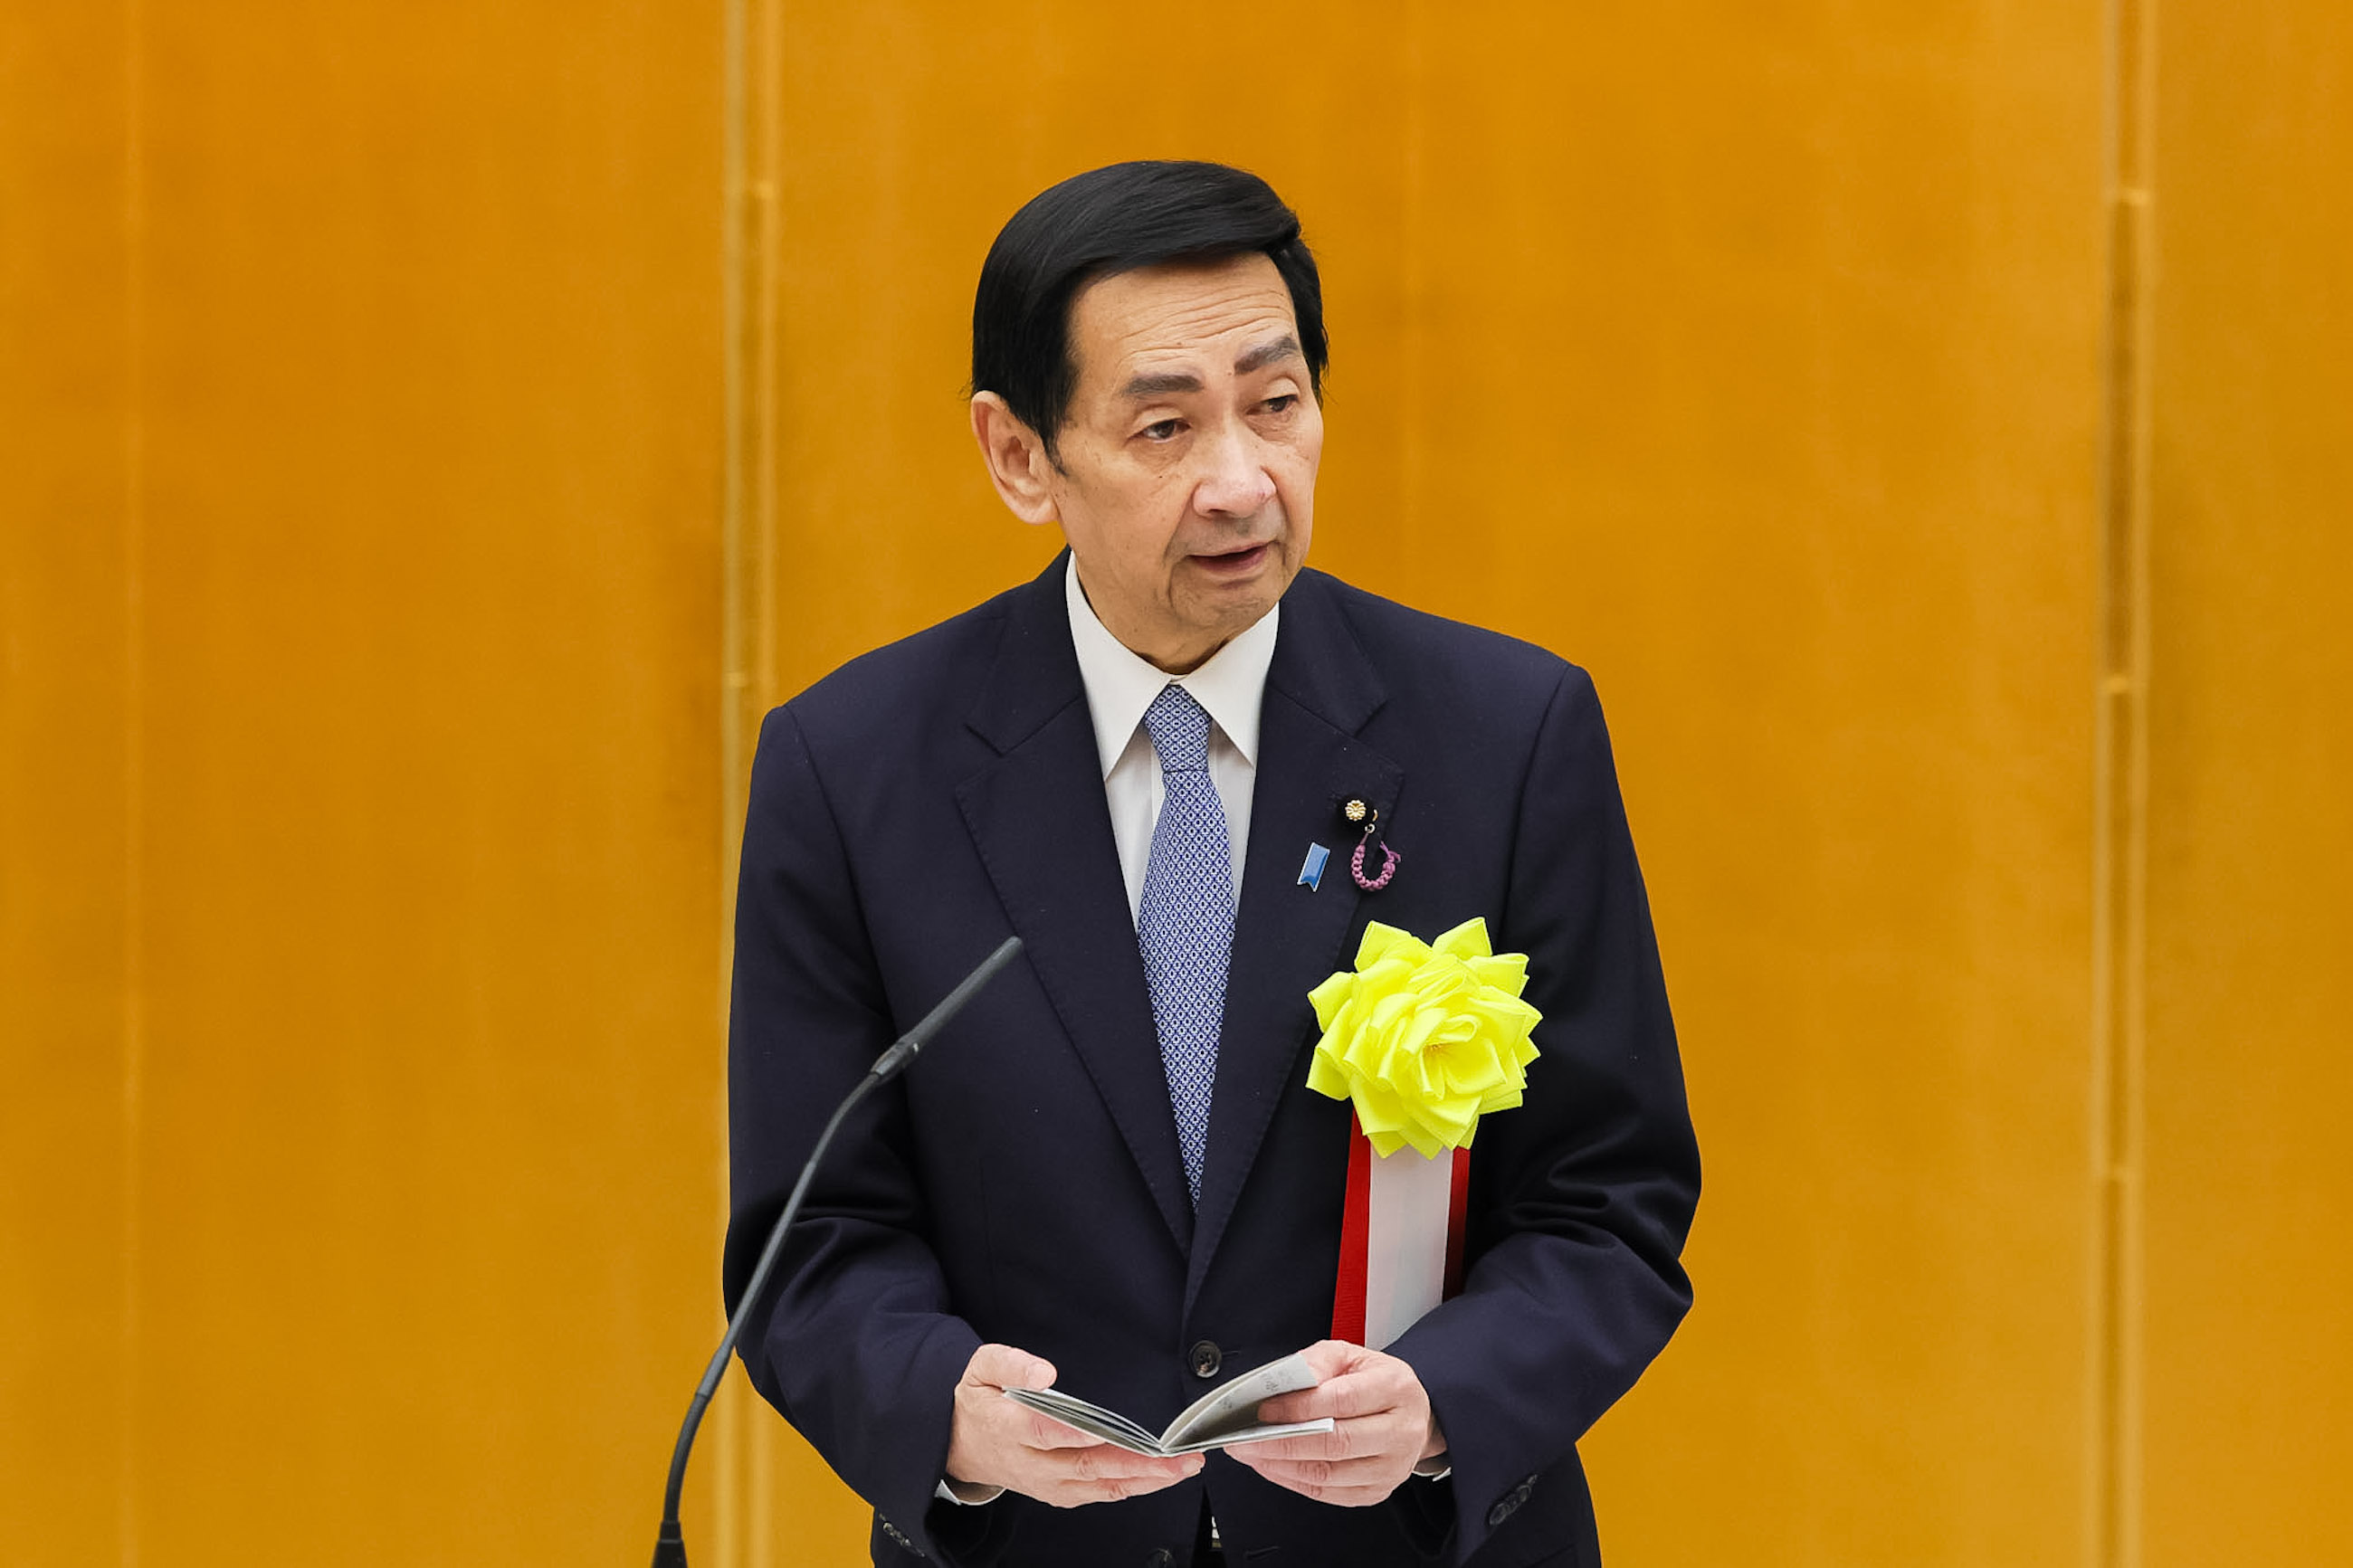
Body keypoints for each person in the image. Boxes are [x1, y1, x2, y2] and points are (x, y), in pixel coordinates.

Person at [724, 160, 1699, 1568]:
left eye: (1277, 403)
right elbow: (811, 1240)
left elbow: (1611, 1198)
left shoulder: (1505, 733)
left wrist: (1443, 1403)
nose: (1241, 482)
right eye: (1166, 425)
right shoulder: (853, 769)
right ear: (1018, 455)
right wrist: (943, 1412)